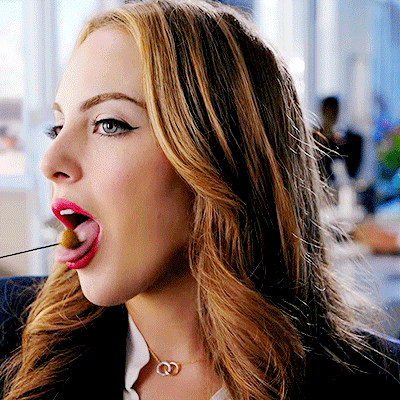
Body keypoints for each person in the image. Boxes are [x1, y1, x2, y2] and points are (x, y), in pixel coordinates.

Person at [0, 1, 399, 399]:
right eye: (57, 128)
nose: (50, 162)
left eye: (109, 124)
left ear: (223, 158)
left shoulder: (378, 385)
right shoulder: (8, 333)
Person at [316, 96, 363, 183]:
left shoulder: (352, 140)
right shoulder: (314, 138)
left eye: (333, 112)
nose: (330, 116)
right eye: (327, 111)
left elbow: (352, 171)